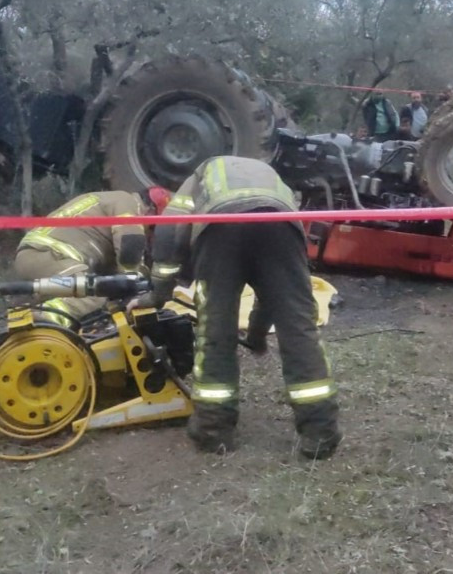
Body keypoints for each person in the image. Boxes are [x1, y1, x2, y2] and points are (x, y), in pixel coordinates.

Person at [128, 156, 341, 459]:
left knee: (216, 330)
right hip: (281, 226)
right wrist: (256, 334)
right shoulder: (268, 174)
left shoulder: (201, 174)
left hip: (220, 230)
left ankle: (214, 431)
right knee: (298, 328)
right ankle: (320, 434)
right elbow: (274, 294)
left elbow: (168, 229)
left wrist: (158, 294)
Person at [13, 188, 169, 325]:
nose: (150, 236)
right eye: (153, 229)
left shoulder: (108, 201)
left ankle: (51, 326)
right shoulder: (127, 202)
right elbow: (130, 244)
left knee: (97, 294)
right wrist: (135, 283)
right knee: (96, 292)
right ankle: (43, 320)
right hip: (50, 254)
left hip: (39, 255)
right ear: (150, 211)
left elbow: (115, 269)